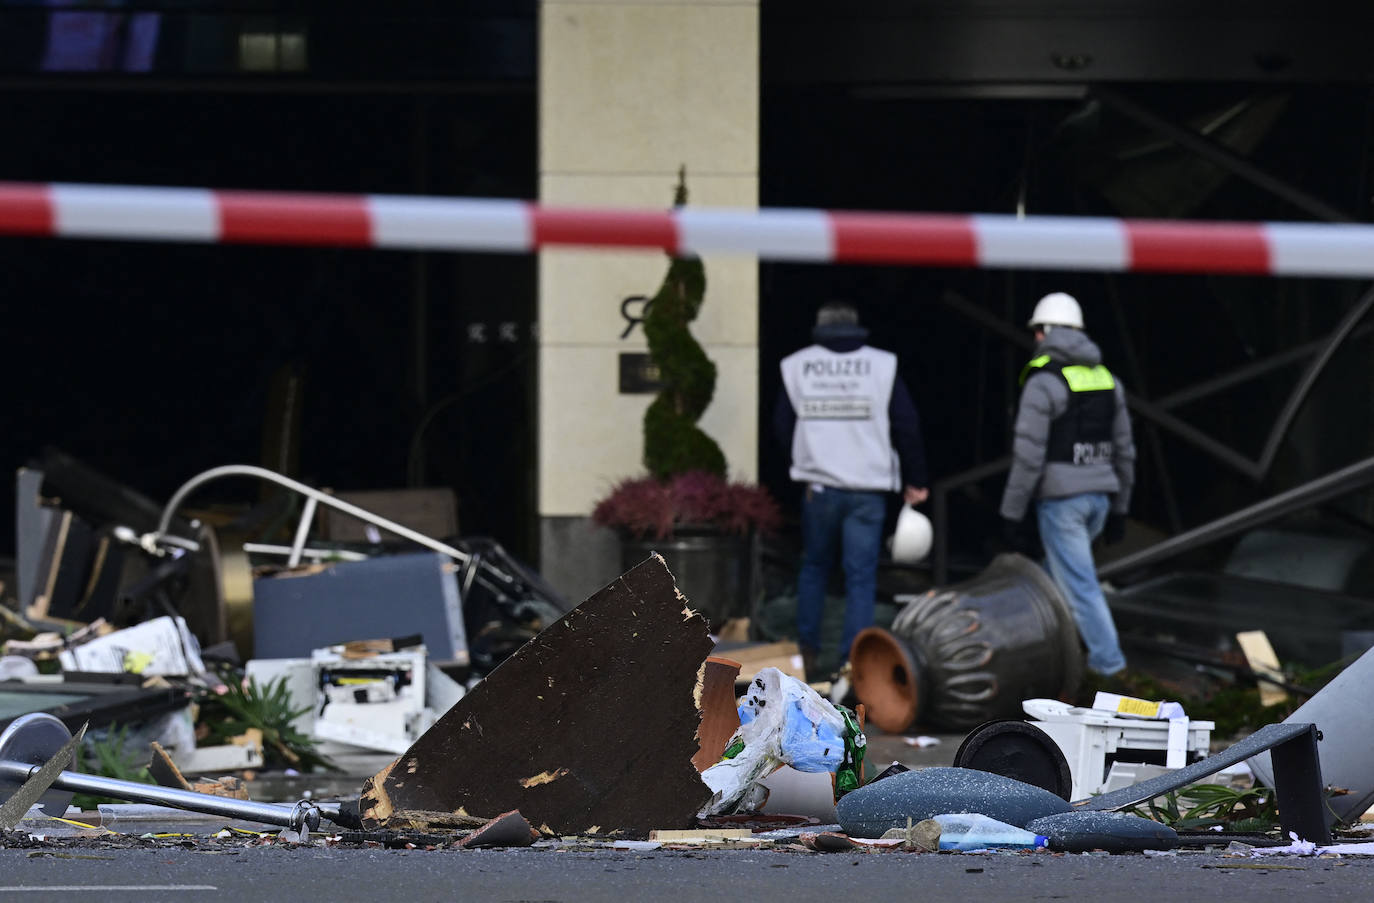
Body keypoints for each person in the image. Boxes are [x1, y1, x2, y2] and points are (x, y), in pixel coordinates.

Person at [775, 301, 929, 679]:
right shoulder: (881, 364)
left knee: (814, 568)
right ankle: (852, 666)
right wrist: (917, 478)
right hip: (868, 488)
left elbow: (782, 425)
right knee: (860, 577)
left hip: (820, 488)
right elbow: (907, 424)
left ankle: (806, 656)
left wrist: (807, 459)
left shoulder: (797, 365)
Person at [999, 291, 1136, 678]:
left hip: (1063, 504)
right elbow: (1125, 450)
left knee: (1080, 588)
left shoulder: (1042, 382)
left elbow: (1028, 455)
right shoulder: (1108, 379)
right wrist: (1121, 507)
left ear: (1043, 332)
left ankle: (1112, 670)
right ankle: (1049, 659)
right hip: (1100, 501)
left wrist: (1011, 512)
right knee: (1047, 580)